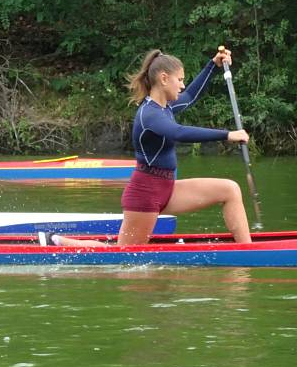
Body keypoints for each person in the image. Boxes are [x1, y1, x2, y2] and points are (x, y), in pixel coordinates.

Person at [50, 46, 251, 248]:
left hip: (167, 188)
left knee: (230, 189)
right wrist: (227, 134)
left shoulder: (167, 106)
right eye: (179, 80)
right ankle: (59, 242)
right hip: (145, 193)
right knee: (124, 254)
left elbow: (190, 96)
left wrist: (213, 66)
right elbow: (178, 132)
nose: (182, 86)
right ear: (164, 79)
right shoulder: (149, 114)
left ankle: (248, 249)